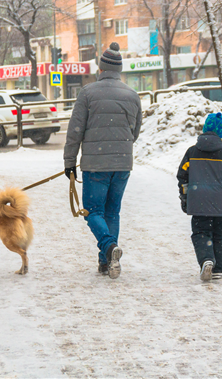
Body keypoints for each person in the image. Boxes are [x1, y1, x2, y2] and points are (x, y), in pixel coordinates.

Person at [64, 42, 142, 279]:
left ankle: (108, 247)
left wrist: (69, 162)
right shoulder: (132, 95)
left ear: (101, 68)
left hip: (95, 165)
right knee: (112, 212)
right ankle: (106, 263)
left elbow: (75, 130)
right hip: (122, 164)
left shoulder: (88, 93)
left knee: (92, 211)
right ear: (119, 70)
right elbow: (135, 132)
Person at [177, 112, 222, 282]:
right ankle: (218, 267)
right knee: (219, 234)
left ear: (205, 128)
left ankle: (206, 260)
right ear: (221, 132)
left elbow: (183, 176)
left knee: (201, 232)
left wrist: (184, 197)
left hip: (198, 201)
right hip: (220, 204)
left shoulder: (192, 152)